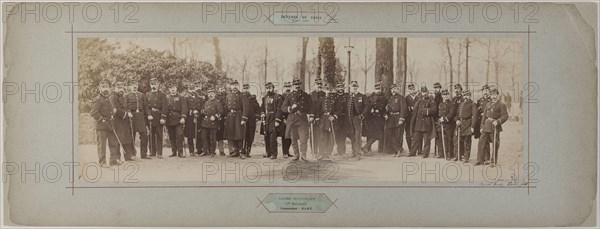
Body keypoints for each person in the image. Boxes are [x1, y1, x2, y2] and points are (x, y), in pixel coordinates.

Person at [90, 80, 120, 167]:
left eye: (107, 87)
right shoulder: (98, 99)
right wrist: (102, 119)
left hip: (110, 125)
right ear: (99, 88)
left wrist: (113, 111)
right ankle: (102, 162)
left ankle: (113, 160)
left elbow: (110, 109)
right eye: (103, 87)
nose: (105, 89)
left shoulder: (107, 98)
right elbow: (93, 112)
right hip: (101, 126)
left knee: (113, 143)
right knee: (102, 145)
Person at [281, 78, 313, 161]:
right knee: (294, 139)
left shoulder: (305, 95)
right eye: (295, 84)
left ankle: (304, 155)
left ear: (300, 85)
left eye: (298, 84)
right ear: (292, 86)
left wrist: (311, 115)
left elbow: (311, 106)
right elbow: (283, 108)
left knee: (303, 139)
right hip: (292, 119)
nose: (297, 86)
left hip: (302, 119)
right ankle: (296, 155)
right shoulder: (289, 96)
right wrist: (291, 107)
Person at [475, 86, 508, 166]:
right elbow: (484, 117)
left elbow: (505, 116)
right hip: (486, 126)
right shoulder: (487, 104)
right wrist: (481, 127)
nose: (493, 96)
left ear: (498, 95)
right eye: (492, 95)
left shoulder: (501, 104)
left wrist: (498, 121)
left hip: (495, 126)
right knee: (481, 142)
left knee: (495, 144)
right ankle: (480, 160)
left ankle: (493, 161)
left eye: (494, 95)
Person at [109, 80, 136, 161]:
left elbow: (126, 106)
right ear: (115, 88)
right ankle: (117, 158)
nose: (121, 89)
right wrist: (125, 114)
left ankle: (128, 156)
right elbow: (116, 109)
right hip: (117, 121)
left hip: (124, 121)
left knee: (126, 138)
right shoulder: (113, 96)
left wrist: (128, 112)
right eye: (119, 88)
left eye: (122, 88)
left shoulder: (122, 96)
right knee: (117, 140)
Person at [223, 80, 250, 159]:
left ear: (238, 86)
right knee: (232, 133)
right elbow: (226, 108)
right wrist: (225, 118)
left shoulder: (242, 95)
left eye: (236, 85)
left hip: (238, 116)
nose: (234, 87)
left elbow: (246, 108)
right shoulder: (228, 96)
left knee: (239, 133)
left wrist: (244, 118)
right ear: (230, 86)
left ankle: (241, 151)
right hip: (230, 116)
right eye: (232, 85)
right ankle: (235, 151)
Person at [410, 86, 437, 158]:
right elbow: (415, 112)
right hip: (418, 123)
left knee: (427, 139)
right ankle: (412, 152)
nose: (424, 94)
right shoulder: (418, 100)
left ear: (427, 92)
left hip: (427, 122)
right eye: (422, 92)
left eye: (425, 92)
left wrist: (425, 111)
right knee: (415, 138)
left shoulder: (431, 100)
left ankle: (425, 154)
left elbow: (434, 110)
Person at [125, 79, 149, 159]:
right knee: (132, 136)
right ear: (130, 87)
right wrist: (128, 112)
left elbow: (146, 107)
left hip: (141, 116)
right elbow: (126, 106)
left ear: (137, 86)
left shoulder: (142, 95)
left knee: (144, 135)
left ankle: (144, 154)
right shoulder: (127, 95)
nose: (134, 86)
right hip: (132, 116)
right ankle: (132, 154)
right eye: (132, 85)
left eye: (135, 84)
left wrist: (148, 115)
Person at [361, 82, 387, 154]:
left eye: (379, 89)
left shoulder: (383, 97)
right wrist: (371, 109)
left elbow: (383, 106)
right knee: (372, 133)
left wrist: (381, 112)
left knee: (380, 133)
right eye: (376, 89)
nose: (378, 90)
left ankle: (379, 149)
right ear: (374, 89)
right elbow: (368, 105)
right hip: (371, 118)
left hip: (379, 117)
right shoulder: (370, 97)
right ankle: (367, 148)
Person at [260, 82, 284, 159]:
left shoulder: (278, 97)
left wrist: (277, 120)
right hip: (266, 118)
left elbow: (279, 109)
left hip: (274, 118)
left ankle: (274, 154)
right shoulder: (265, 98)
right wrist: (262, 113)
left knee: (273, 136)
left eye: (270, 88)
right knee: (266, 135)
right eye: (267, 88)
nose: (268, 90)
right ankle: (268, 152)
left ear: (273, 88)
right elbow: (262, 108)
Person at [146, 77, 168, 159]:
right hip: (151, 117)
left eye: (155, 84)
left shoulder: (162, 94)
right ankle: (152, 152)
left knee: (159, 135)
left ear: (158, 84)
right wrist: (148, 115)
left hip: (159, 117)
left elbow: (165, 107)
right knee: (151, 135)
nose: (153, 86)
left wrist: (163, 117)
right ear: (150, 85)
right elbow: (146, 107)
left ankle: (159, 153)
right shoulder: (147, 95)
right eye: (152, 84)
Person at [454, 90, 478, 163]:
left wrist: (472, 126)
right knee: (457, 140)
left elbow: (475, 116)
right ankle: (458, 155)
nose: (465, 97)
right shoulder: (461, 104)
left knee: (467, 141)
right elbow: (456, 114)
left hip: (468, 124)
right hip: (459, 124)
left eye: (467, 95)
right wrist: (457, 120)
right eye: (464, 95)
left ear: (470, 96)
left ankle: (466, 157)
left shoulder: (473, 104)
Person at [166, 82, 188, 158]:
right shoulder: (167, 98)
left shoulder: (181, 97)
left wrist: (183, 117)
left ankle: (180, 152)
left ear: (176, 89)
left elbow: (184, 108)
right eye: (171, 88)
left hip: (178, 119)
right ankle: (174, 152)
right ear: (169, 89)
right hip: (169, 120)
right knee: (171, 136)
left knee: (179, 135)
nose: (172, 89)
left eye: (174, 88)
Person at [200, 87, 224, 157]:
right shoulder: (206, 102)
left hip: (213, 122)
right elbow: (202, 110)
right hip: (205, 122)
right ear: (207, 94)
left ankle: (212, 152)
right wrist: (203, 112)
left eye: (212, 93)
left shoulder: (218, 102)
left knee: (212, 138)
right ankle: (205, 151)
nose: (210, 95)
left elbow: (221, 111)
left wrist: (215, 117)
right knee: (203, 137)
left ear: (214, 94)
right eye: (209, 93)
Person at [384, 84, 408, 156]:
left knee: (398, 135)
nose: (393, 90)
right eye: (392, 89)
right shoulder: (390, 98)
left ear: (398, 89)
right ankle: (399, 149)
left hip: (398, 117)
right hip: (391, 118)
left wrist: (401, 118)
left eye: (395, 89)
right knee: (389, 133)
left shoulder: (401, 98)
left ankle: (398, 151)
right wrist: (386, 114)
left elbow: (403, 109)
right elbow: (387, 108)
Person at [184, 81, 206, 156]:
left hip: (198, 118)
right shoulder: (185, 98)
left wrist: (198, 112)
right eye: (190, 89)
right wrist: (192, 111)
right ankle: (191, 151)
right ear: (188, 90)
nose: (192, 90)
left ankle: (199, 150)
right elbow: (185, 108)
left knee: (198, 134)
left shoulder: (199, 98)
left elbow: (202, 108)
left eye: (193, 89)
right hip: (189, 119)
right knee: (190, 135)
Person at [315, 83, 336, 160]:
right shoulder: (321, 99)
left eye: (329, 89)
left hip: (331, 119)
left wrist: (334, 116)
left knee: (330, 137)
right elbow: (317, 109)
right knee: (322, 136)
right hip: (323, 119)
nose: (328, 91)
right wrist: (317, 118)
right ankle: (321, 153)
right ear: (324, 90)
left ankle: (329, 153)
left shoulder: (334, 99)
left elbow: (338, 110)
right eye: (326, 89)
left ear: (331, 90)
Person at [347, 81, 366, 159]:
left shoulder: (361, 96)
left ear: (357, 87)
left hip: (357, 118)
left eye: (355, 86)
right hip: (349, 119)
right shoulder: (348, 97)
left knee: (357, 136)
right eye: (352, 86)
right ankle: (354, 152)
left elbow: (367, 106)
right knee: (352, 135)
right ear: (350, 88)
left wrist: (362, 115)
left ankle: (358, 153)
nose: (354, 88)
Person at [332, 83, 352, 157]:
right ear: (336, 88)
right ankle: (338, 151)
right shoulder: (334, 97)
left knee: (343, 135)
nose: (340, 88)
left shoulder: (347, 96)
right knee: (337, 135)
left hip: (344, 119)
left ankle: (342, 151)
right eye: (338, 87)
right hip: (337, 119)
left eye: (341, 87)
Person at [435, 89, 455, 160]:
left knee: (449, 140)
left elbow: (452, 113)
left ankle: (449, 154)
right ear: (442, 96)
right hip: (441, 124)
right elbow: (438, 114)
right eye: (444, 95)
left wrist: (444, 118)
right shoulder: (440, 104)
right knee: (440, 139)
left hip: (448, 124)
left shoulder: (452, 104)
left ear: (448, 95)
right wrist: (439, 119)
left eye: (446, 94)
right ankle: (441, 153)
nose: (445, 96)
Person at [242, 83, 261, 157]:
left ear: (249, 89)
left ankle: (248, 150)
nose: (246, 90)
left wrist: (256, 117)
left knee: (250, 135)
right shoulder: (241, 97)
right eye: (244, 88)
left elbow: (257, 108)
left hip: (251, 120)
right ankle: (242, 151)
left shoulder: (253, 98)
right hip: (243, 119)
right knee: (243, 135)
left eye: (247, 88)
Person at [310, 78, 326, 159]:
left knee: (321, 135)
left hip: (321, 118)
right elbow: (310, 107)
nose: (319, 85)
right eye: (317, 84)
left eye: (320, 84)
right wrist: (312, 116)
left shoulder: (324, 94)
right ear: (314, 85)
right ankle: (314, 151)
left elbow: (324, 108)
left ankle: (321, 152)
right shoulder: (311, 94)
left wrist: (319, 117)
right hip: (313, 118)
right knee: (313, 135)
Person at [474, 85, 491, 159]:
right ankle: (480, 158)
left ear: (489, 92)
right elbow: (476, 112)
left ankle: (487, 158)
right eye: (484, 91)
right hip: (480, 122)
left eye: (487, 91)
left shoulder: (491, 100)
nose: (485, 92)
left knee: (487, 140)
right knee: (480, 140)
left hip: (488, 122)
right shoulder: (479, 101)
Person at [279, 81, 293, 158]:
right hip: (284, 119)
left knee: (291, 135)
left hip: (292, 118)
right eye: (286, 87)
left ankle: (287, 151)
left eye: (289, 87)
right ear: (284, 88)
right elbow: (281, 108)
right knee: (285, 135)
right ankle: (285, 152)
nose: (288, 88)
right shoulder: (282, 97)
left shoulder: (292, 95)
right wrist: (283, 118)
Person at [405, 83, 418, 153]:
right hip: (409, 118)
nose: (412, 91)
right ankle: (410, 149)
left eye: (413, 89)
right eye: (410, 90)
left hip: (416, 118)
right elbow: (405, 107)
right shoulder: (406, 98)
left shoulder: (417, 98)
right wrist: (410, 108)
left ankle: (417, 149)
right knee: (408, 133)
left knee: (416, 133)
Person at [215, 84, 228, 155]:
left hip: (223, 118)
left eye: (222, 88)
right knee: (213, 133)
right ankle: (211, 150)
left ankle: (221, 150)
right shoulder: (215, 97)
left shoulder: (227, 96)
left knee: (221, 134)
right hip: (215, 117)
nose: (221, 90)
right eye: (220, 88)